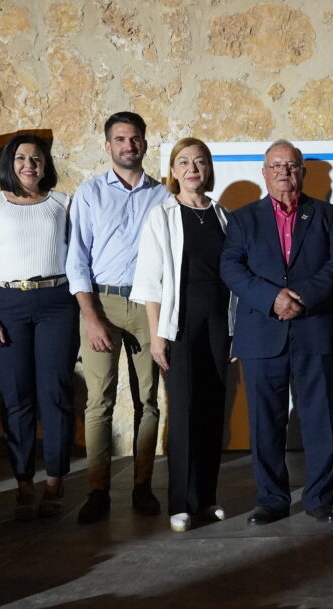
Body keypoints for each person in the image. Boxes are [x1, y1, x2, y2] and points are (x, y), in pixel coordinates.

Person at [220, 140, 333, 525]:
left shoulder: (329, 216)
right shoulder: (243, 219)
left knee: (319, 419)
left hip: (315, 329)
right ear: (263, 173)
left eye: (291, 165)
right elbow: (231, 267)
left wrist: (302, 296)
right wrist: (271, 298)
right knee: (265, 422)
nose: (284, 172)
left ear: (302, 172)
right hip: (263, 332)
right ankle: (272, 499)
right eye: (276, 165)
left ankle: (320, 500)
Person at [0, 134, 79, 520]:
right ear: (9, 164)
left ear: (46, 164)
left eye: (36, 158)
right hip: (9, 303)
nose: (29, 164)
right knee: (17, 397)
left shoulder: (63, 203)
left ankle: (55, 479)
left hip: (57, 302)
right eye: (20, 158)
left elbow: (81, 257)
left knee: (56, 392)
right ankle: (22, 480)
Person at [66, 112, 168, 524]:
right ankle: (97, 490)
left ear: (145, 144)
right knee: (99, 401)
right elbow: (77, 260)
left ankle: (142, 486)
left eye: (136, 138)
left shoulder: (163, 196)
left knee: (148, 399)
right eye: (120, 139)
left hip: (148, 305)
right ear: (108, 146)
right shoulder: (89, 194)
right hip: (102, 303)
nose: (129, 145)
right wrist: (90, 317)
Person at [131, 137, 233, 533]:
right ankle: (181, 503)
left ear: (208, 169)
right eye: (184, 162)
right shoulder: (162, 216)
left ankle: (206, 498)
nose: (193, 169)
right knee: (185, 410)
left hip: (219, 322)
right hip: (180, 322)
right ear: (173, 172)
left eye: (200, 161)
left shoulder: (224, 216)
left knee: (212, 410)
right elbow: (151, 282)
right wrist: (158, 335)